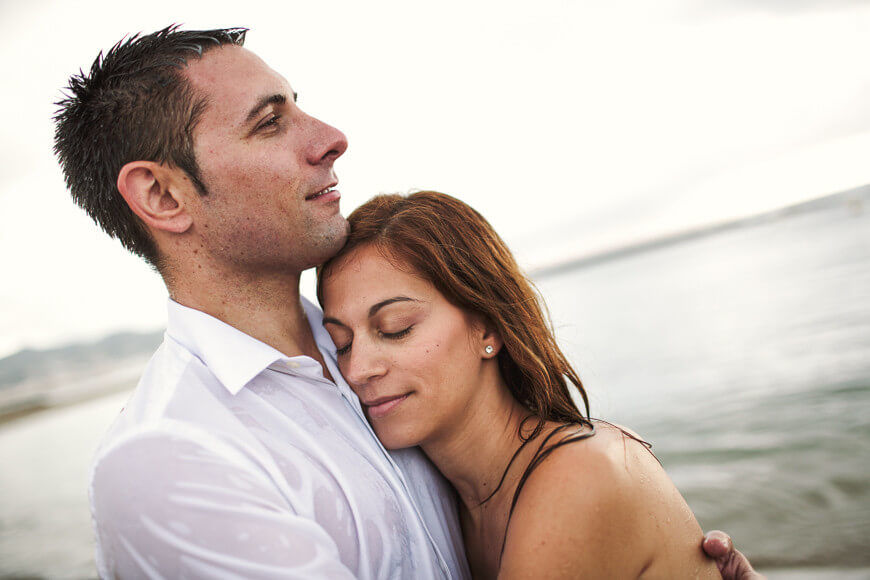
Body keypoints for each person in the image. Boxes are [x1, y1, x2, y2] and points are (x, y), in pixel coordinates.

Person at [53, 25, 762, 579]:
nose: (331, 139)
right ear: (162, 195)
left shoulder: (362, 374)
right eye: (270, 123)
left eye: (394, 327)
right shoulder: (173, 455)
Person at [316, 191, 753, 578]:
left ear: (488, 328)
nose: (357, 370)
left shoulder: (579, 474)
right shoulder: (442, 499)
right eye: (341, 343)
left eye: (395, 328)